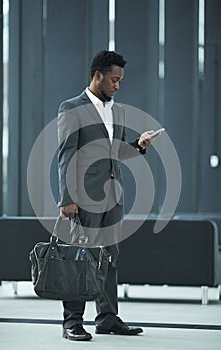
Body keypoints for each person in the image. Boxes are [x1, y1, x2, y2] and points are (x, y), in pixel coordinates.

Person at [57, 50, 159, 341]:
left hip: (113, 196)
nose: (117, 86)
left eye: (120, 81)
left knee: (109, 258)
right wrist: (67, 198)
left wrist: (138, 145)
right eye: (114, 80)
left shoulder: (118, 111)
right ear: (97, 75)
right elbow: (66, 155)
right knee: (80, 258)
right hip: (82, 197)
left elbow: (114, 154)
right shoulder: (71, 108)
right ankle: (72, 322)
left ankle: (107, 318)